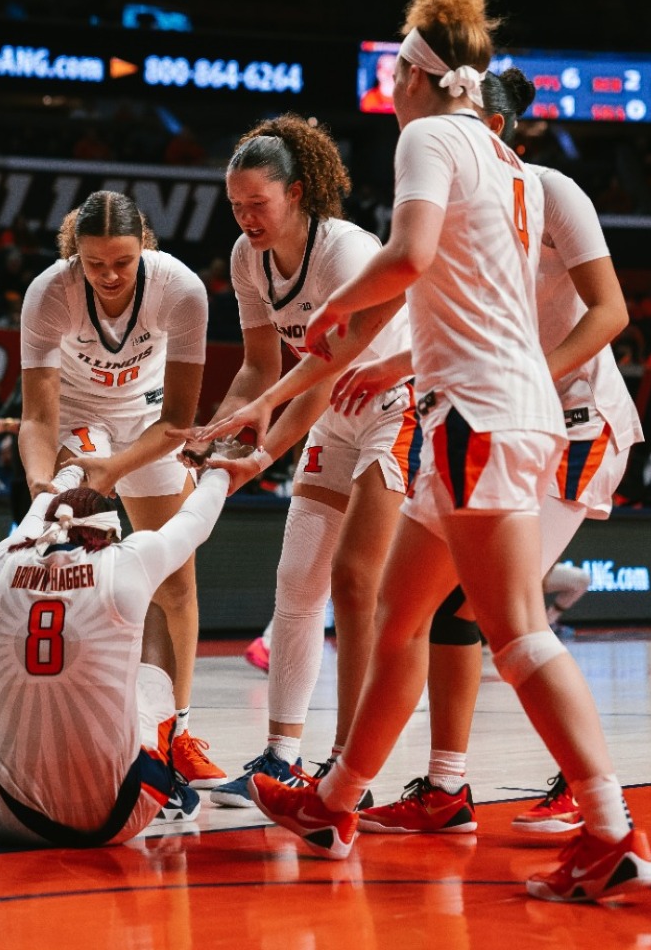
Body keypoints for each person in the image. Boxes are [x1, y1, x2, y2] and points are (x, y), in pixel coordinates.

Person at [238, 0, 651, 905]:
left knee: (512, 632)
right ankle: (338, 800)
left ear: (420, 73)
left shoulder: (429, 139)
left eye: (395, 65)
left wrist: (335, 311)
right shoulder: (507, 164)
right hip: (473, 406)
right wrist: (393, 367)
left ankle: (612, 825)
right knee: (401, 617)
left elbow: (413, 258)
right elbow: (466, 299)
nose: (389, 82)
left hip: (481, 414)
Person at [339, 66, 639, 839]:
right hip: (497, 410)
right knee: (440, 609)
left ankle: (588, 795)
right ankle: (443, 786)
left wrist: (530, 377)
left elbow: (611, 313)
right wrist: (388, 363)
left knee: (496, 614)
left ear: (499, 130)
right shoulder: (461, 200)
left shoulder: (547, 190)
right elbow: (468, 326)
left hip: (570, 421)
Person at [171, 114, 415, 808]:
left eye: (259, 204)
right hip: (330, 410)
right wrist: (226, 432)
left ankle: (350, 772)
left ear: (298, 193)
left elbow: (333, 357)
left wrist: (266, 438)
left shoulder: (342, 249)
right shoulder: (248, 260)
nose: (247, 217)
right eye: (237, 205)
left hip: (398, 402)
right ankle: (281, 758)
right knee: (295, 582)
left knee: (355, 582)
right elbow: (259, 368)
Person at [0, 459, 257, 847]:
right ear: (110, 533)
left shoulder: (6, 558)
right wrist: (221, 470)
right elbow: (194, 521)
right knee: (153, 615)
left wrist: (68, 473)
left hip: (4, 813)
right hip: (123, 812)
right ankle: (171, 764)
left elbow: (41, 508)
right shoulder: (126, 562)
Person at [17, 190, 225, 788]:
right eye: (95, 263)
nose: (109, 275)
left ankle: (176, 731)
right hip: (81, 418)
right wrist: (40, 482)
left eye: (122, 262)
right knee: (80, 564)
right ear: (75, 255)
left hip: (151, 420)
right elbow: (37, 417)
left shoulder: (181, 289)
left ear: (146, 249)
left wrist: (114, 472)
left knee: (177, 583)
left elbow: (179, 425)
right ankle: (86, 723)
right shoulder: (49, 292)